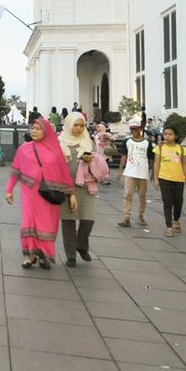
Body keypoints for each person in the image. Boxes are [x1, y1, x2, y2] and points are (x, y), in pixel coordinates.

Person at [5, 117, 74, 269]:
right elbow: (16, 170)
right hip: (29, 191)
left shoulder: (55, 150)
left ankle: (44, 255)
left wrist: (71, 194)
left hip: (49, 194)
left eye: (38, 129)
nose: (34, 131)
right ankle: (29, 255)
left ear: (46, 131)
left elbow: (64, 173)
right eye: (33, 128)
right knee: (28, 222)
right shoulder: (24, 148)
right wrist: (9, 190)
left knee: (47, 224)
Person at [58, 113, 105, 265]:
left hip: (85, 185)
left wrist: (89, 160)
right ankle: (70, 255)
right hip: (65, 185)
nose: (78, 128)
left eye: (81, 125)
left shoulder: (87, 141)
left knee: (88, 219)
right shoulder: (59, 141)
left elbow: (97, 159)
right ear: (69, 124)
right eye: (75, 125)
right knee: (68, 221)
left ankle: (81, 245)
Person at [153, 126, 186, 236]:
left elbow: (184, 164)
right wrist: (155, 178)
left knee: (178, 201)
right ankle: (169, 227)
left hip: (179, 178)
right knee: (167, 202)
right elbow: (156, 163)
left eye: (170, 134)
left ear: (176, 136)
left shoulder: (181, 149)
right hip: (164, 178)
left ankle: (176, 219)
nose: (167, 136)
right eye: (165, 134)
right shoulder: (160, 148)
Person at [117, 120, 152, 228]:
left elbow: (151, 158)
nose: (133, 131)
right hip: (130, 171)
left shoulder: (147, 143)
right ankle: (126, 217)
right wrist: (120, 170)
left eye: (135, 129)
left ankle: (141, 215)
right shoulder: (127, 142)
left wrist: (153, 173)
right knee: (128, 194)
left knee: (142, 195)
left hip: (143, 172)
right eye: (131, 129)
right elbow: (124, 156)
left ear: (140, 129)